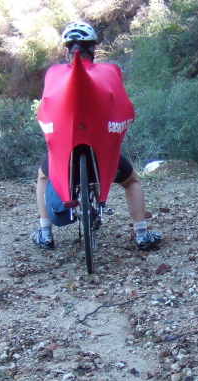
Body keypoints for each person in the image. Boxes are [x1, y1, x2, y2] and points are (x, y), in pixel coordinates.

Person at [32, 21, 161, 252]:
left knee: (42, 177)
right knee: (131, 181)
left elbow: (45, 110)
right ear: (93, 49)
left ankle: (45, 233)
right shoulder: (109, 72)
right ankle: (142, 234)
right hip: (102, 154)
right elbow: (122, 106)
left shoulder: (54, 74)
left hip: (65, 156)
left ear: (67, 50)